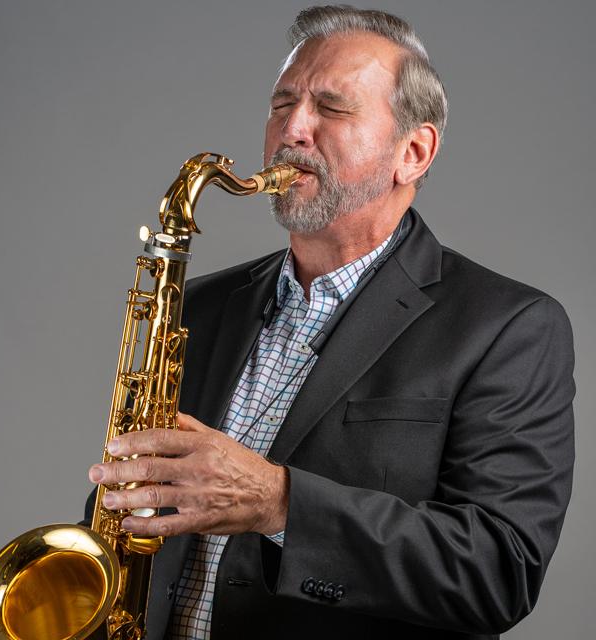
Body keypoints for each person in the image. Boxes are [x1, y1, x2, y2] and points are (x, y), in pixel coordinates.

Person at [86, 6, 575, 639]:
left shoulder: (510, 327)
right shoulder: (198, 306)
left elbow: (496, 573)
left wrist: (279, 502)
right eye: (282, 102)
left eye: (332, 108)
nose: (292, 129)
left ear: (414, 152)